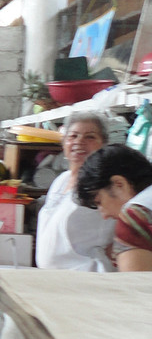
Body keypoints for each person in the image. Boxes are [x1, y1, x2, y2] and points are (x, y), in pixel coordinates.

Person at [36, 111, 115, 271]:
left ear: (104, 144)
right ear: (64, 143)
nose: (80, 142)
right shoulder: (61, 180)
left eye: (90, 137)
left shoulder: (103, 184)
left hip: (87, 278)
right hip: (54, 280)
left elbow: (126, 223)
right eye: (73, 136)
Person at [76, 144, 152, 272]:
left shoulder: (134, 217)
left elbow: (136, 285)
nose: (104, 215)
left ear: (119, 184)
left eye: (99, 202)